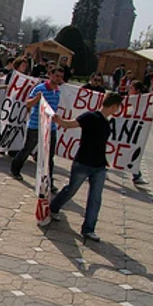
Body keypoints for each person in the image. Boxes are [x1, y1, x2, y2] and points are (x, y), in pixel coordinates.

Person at [46, 93, 124, 242]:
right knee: (71, 190)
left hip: (99, 166)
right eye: (118, 107)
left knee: (95, 198)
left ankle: (88, 229)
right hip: (83, 162)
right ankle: (54, 207)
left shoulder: (107, 122)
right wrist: (58, 119)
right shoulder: (90, 116)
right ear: (114, 106)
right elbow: (70, 124)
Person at [10, 67, 65, 191]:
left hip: (50, 126)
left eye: (60, 77)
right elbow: (28, 103)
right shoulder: (40, 88)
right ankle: (15, 168)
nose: (58, 79)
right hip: (36, 125)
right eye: (56, 76)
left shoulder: (57, 91)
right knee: (27, 149)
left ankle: (49, 182)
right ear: (50, 75)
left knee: (49, 156)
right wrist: (37, 99)